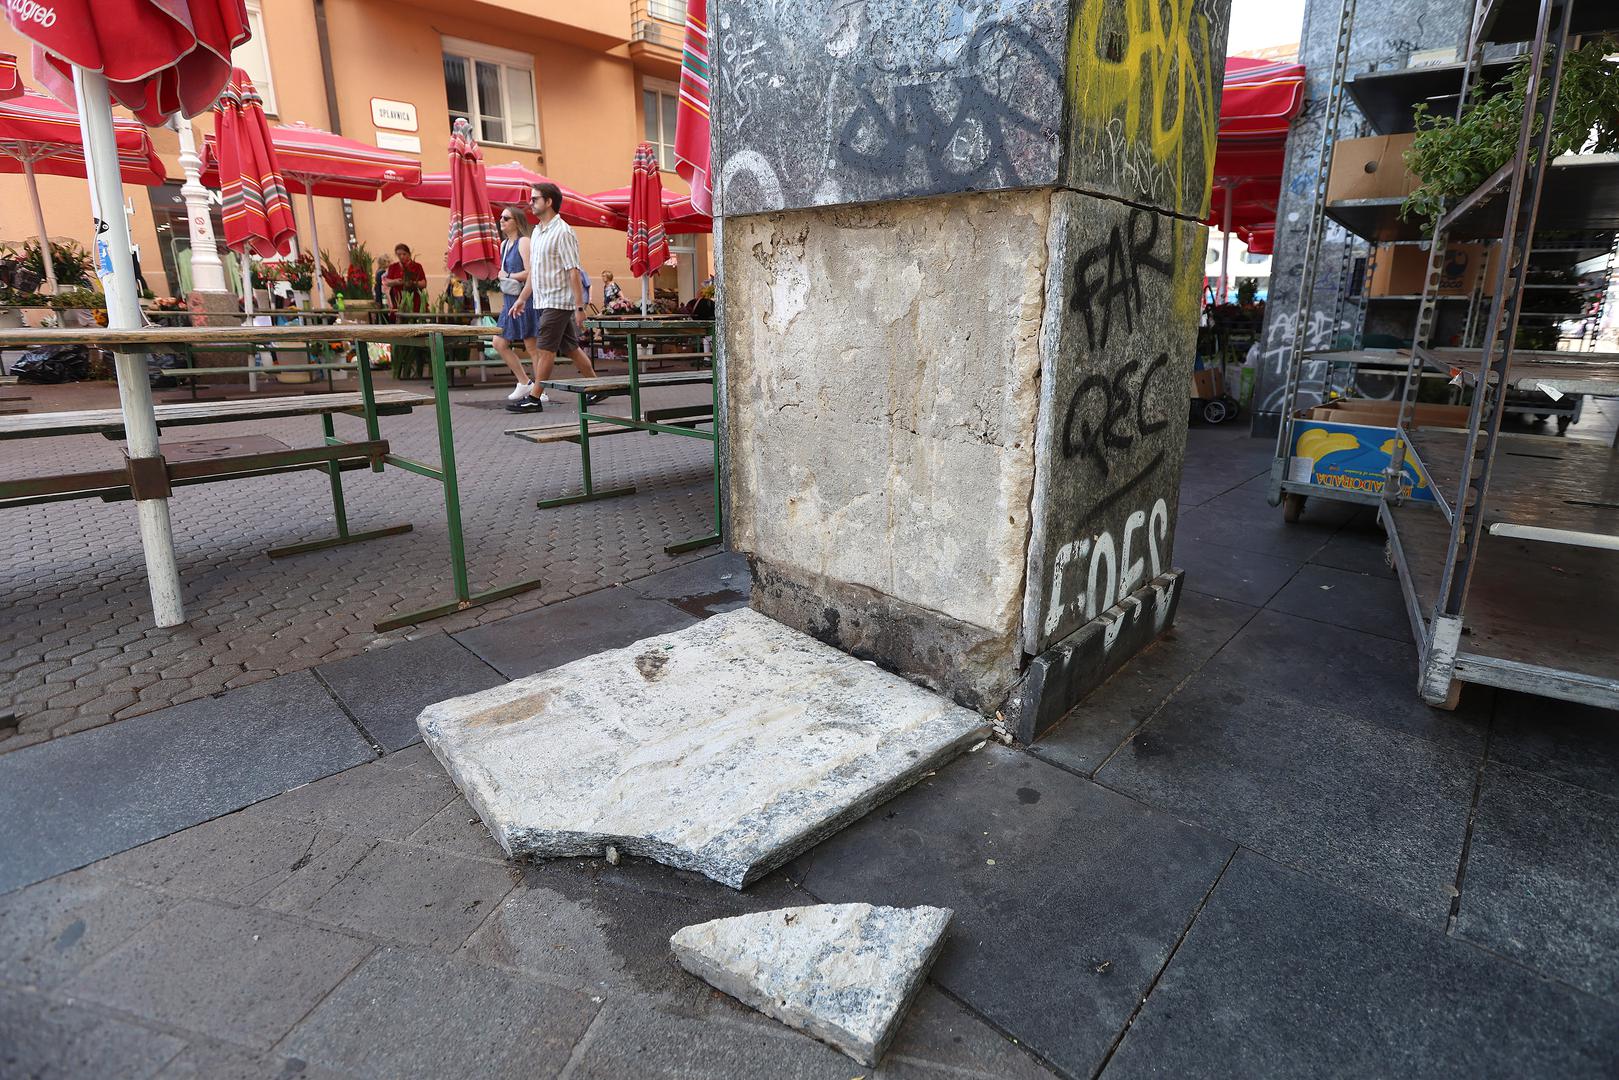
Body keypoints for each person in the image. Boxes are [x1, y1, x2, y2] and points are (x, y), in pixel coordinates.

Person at [508, 182, 598, 413]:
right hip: (542, 299)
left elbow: (573, 270)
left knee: (545, 349)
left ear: (548, 202)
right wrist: (522, 298)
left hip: (557, 301)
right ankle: (597, 386)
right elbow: (535, 274)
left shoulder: (564, 231)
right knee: (570, 347)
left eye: (535, 199)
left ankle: (535, 397)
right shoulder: (537, 231)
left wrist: (579, 307)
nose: (531, 203)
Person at [492, 207, 545, 402]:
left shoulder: (524, 241)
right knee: (498, 343)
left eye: (506, 218)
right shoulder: (504, 244)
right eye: (501, 218)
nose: (502, 221)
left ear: (517, 221)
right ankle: (524, 382)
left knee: (532, 346)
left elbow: (531, 272)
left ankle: (540, 390)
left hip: (525, 299)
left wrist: (508, 276)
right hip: (509, 301)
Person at [383, 244, 427, 313]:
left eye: (404, 254)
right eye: (399, 255)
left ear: (409, 254)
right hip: (398, 300)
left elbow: (424, 283)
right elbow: (387, 282)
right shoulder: (393, 267)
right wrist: (396, 282)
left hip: (414, 300)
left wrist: (413, 283)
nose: (402, 256)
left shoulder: (417, 266)